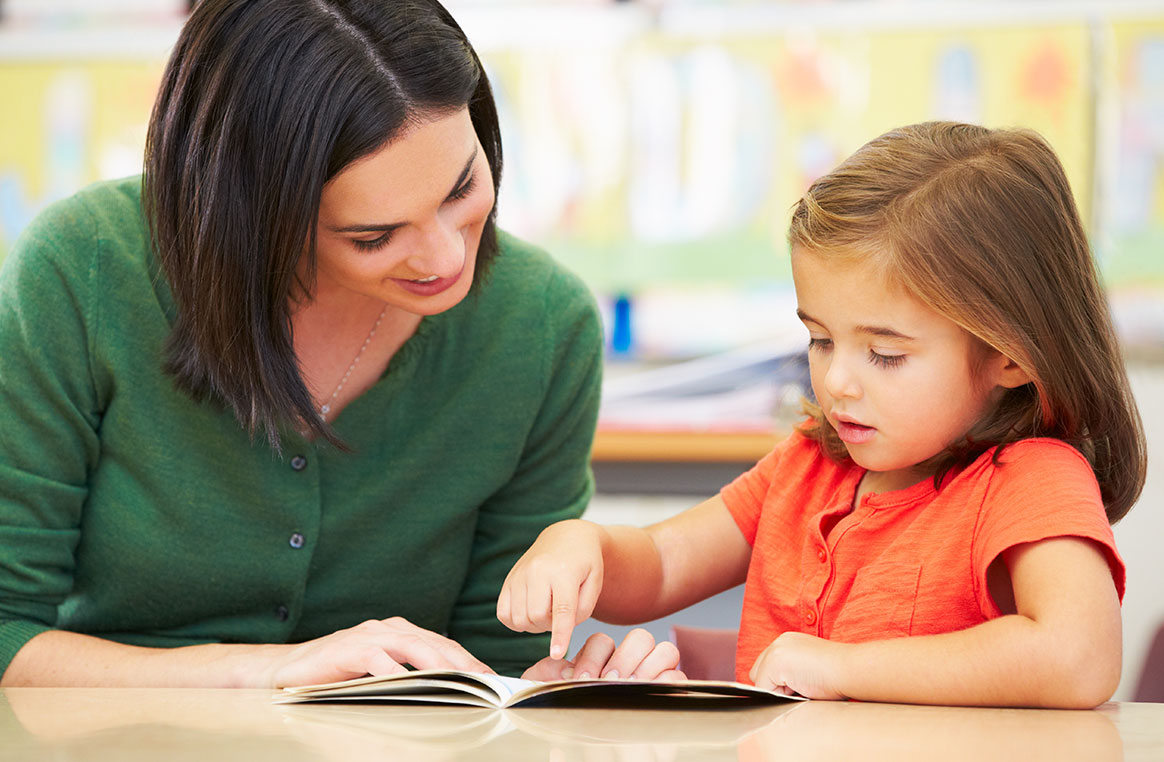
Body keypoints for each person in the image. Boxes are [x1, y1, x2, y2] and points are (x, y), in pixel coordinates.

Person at [0, 0, 676, 688]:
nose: (444, 258)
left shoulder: (541, 326)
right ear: (257, 215)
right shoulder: (81, 271)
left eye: (462, 188)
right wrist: (274, 672)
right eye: (374, 236)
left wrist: (553, 690)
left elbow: (492, 664)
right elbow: (6, 632)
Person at [498, 121, 1148, 707]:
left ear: (1010, 356)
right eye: (820, 339)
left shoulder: (1031, 479)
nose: (837, 380)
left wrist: (843, 667)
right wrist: (580, 547)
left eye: (886, 354)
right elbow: (666, 563)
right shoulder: (808, 464)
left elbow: (1077, 659)